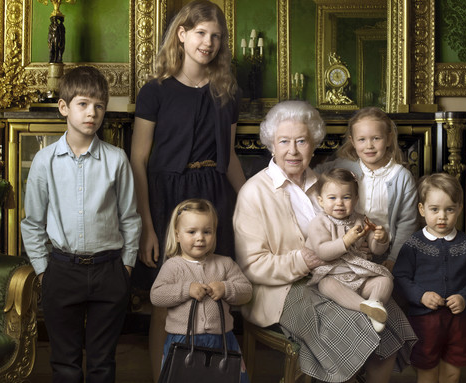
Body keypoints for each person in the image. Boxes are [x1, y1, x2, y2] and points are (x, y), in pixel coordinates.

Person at [234, 100, 416, 383]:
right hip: (282, 289)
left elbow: (347, 228)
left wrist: (363, 244)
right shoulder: (253, 193)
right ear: (271, 145)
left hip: (337, 274)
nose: (293, 151)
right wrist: (302, 261)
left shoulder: (324, 184)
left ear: (313, 144)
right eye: (284, 141)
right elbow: (252, 265)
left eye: (301, 141)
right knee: (354, 325)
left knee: (389, 317)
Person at [129, 1, 245, 380]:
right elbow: (139, 160)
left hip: (212, 198)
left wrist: (250, 205)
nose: (208, 43)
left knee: (215, 293)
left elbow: (228, 158)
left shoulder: (226, 91)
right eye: (200, 33)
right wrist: (147, 226)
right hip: (167, 198)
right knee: (167, 301)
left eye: (215, 36)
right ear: (181, 34)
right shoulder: (155, 91)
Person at [20, 66, 141, 382]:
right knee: (65, 365)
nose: (93, 113)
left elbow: (130, 218)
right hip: (62, 271)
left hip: (109, 271)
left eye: (99, 106)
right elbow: (32, 223)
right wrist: (44, 271)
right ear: (64, 108)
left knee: (103, 364)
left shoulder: (116, 160)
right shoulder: (44, 162)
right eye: (84, 104)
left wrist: (125, 268)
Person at [393, 172, 466, 383]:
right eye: (434, 209)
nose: (442, 216)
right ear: (422, 209)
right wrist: (421, 295)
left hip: (459, 322)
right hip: (425, 321)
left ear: (460, 209)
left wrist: (464, 297)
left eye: (449, 209)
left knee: (452, 374)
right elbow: (400, 277)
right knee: (427, 372)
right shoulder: (413, 244)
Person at [150, 199, 252, 383]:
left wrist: (225, 288)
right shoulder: (173, 267)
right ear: (178, 235)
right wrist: (186, 289)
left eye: (207, 232)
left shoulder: (225, 264)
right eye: (192, 232)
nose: (200, 238)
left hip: (222, 341)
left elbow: (246, 291)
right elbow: (157, 295)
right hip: (182, 341)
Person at [315, 106, 418, 271]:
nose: (369, 146)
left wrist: (393, 258)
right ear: (353, 141)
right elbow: (314, 175)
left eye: (376, 138)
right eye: (361, 139)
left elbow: (407, 223)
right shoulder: (345, 167)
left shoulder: (402, 177)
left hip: (386, 251)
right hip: (347, 246)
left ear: (389, 139)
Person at [306, 168, 393, 333]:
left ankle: (375, 302)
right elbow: (322, 251)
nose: (339, 203)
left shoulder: (361, 220)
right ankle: (366, 308)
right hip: (333, 274)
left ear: (356, 199)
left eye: (346, 197)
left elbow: (375, 251)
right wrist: (346, 241)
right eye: (332, 198)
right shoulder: (319, 223)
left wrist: (380, 239)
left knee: (385, 280)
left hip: (359, 276)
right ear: (321, 201)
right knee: (325, 285)